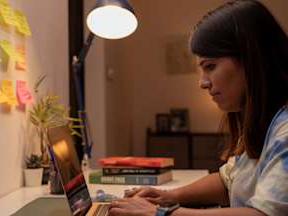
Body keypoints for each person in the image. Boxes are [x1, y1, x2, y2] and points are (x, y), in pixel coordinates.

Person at [108, 0, 288, 215]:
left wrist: (160, 213)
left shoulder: (285, 132)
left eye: (210, 66)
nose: (202, 83)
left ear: (251, 58)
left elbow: (262, 214)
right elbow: (228, 181)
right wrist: (169, 196)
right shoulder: (265, 121)